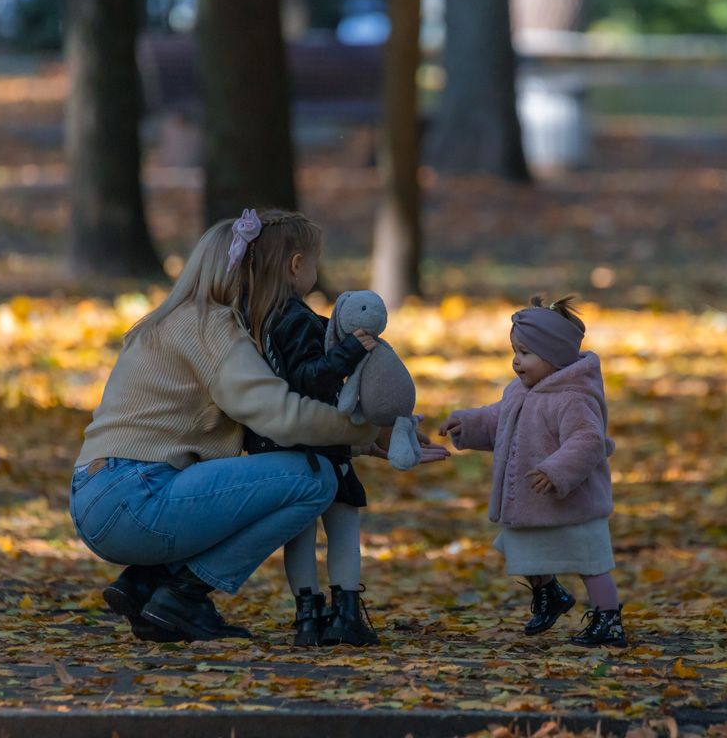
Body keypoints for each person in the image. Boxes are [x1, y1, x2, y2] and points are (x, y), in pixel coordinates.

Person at [70, 209, 382, 643]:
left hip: (98, 491)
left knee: (256, 486)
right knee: (314, 479)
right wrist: (366, 433)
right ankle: (184, 594)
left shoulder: (164, 322)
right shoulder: (211, 326)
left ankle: (149, 587)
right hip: (138, 495)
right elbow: (280, 416)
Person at [238, 210, 448, 647]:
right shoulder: (293, 318)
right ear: (297, 265)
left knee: (299, 534)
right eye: (315, 263)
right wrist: (351, 352)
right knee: (343, 526)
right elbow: (310, 378)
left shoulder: (254, 318)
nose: (316, 271)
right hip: (317, 446)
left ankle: (309, 613)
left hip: (276, 445)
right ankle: (344, 611)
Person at [440, 295, 627, 647]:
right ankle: (550, 594)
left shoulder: (573, 397)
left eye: (525, 353)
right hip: (531, 501)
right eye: (514, 351)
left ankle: (608, 617)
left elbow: (587, 441)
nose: (515, 361)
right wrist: (467, 423)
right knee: (523, 548)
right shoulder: (519, 392)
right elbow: (498, 419)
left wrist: (556, 470)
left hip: (574, 503)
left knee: (590, 560)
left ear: (554, 356)